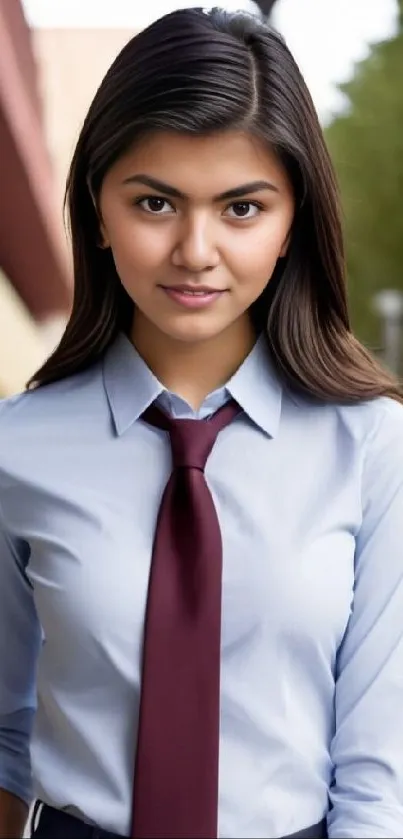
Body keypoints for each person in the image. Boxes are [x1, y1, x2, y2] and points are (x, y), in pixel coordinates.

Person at [1, 6, 403, 839]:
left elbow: (378, 764)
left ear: (293, 222)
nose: (194, 250)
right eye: (154, 202)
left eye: (242, 208)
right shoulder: (17, 450)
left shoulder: (370, 446)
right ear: (99, 210)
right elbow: (5, 736)